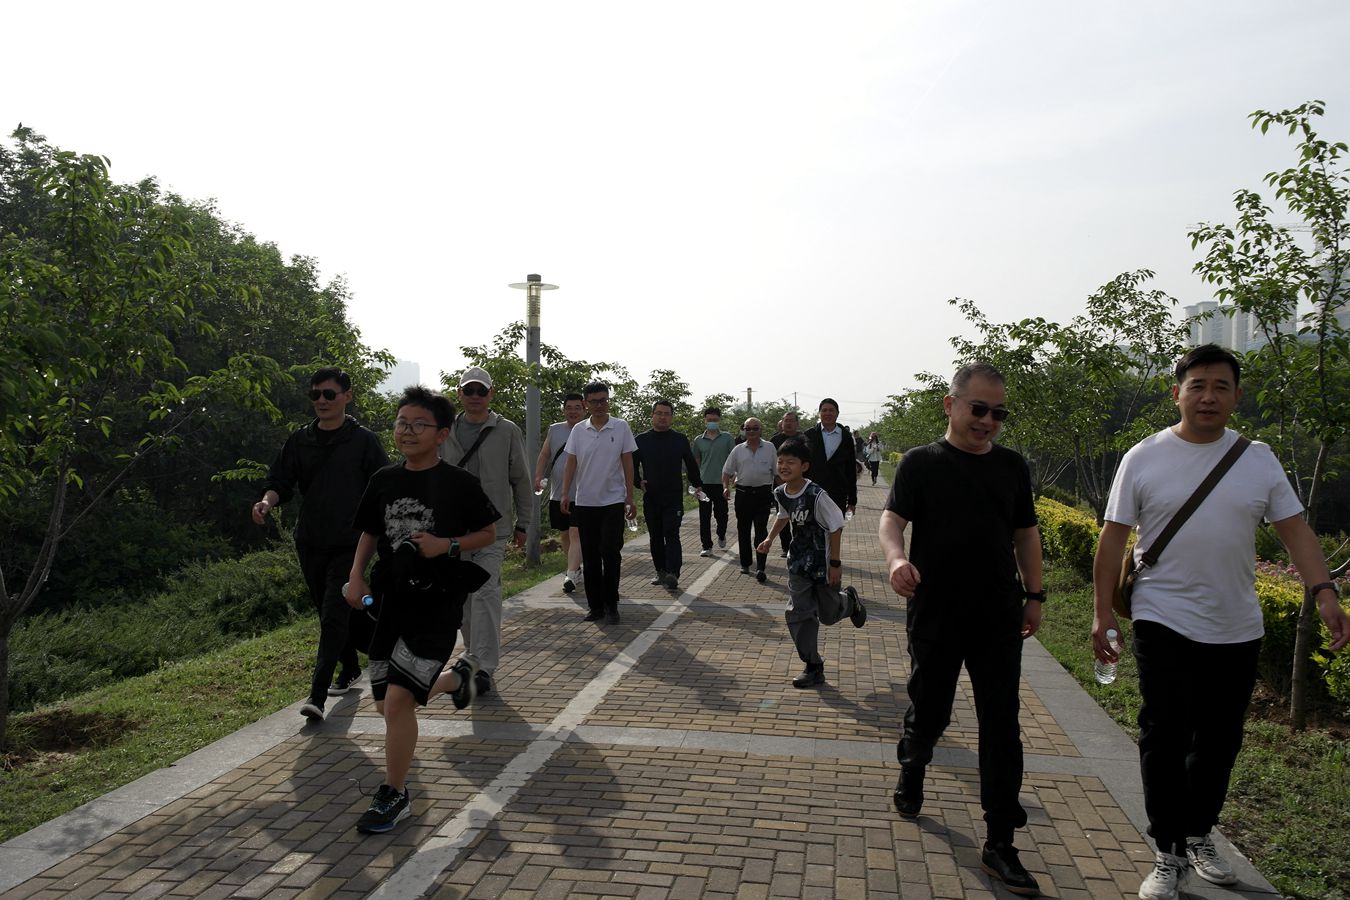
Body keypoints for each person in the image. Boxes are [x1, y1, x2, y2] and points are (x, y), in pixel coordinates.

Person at [1091, 344, 1350, 900]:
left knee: (1219, 740)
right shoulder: (1143, 456)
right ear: (1177, 392)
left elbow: (1296, 531)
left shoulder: (1257, 459)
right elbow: (1112, 539)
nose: (1208, 396)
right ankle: (1167, 851)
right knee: (1164, 732)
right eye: (1198, 385)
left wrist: (1325, 591)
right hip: (1161, 614)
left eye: (1221, 387)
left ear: (1236, 396)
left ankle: (1198, 832)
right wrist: (1100, 613)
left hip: (1236, 624)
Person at [878, 362, 1045, 896]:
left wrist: (1035, 595)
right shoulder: (921, 463)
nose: (988, 421)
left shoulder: (1012, 467)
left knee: (1001, 723)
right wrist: (896, 559)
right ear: (950, 405)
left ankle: (1000, 841)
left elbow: (1025, 533)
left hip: (997, 612)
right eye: (978, 409)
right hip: (936, 610)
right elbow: (892, 519)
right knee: (931, 708)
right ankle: (914, 763)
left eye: (998, 413)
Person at [345, 386, 500, 834]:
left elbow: (487, 534)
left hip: (437, 600)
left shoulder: (459, 483)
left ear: (441, 434)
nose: (407, 431)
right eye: (401, 423)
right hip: (390, 599)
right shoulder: (384, 480)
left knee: (398, 702)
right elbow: (370, 533)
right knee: (386, 705)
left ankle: (394, 794)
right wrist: (355, 576)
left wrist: (445, 545)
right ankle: (456, 680)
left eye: (418, 424)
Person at [253, 367, 389, 723]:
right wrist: (266, 502)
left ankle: (316, 695)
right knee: (329, 612)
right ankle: (352, 664)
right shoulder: (301, 440)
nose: (322, 401)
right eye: (316, 394)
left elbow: (383, 487)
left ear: (347, 396)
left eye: (329, 394)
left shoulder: (363, 441)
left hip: (350, 542)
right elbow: (280, 481)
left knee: (332, 615)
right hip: (310, 540)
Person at [434, 366, 532, 699]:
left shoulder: (506, 430)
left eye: (481, 391)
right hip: (453, 532)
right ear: (459, 393)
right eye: (469, 390)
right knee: (462, 598)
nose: (475, 396)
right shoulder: (445, 430)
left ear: (491, 394)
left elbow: (521, 478)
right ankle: (472, 656)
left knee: (486, 592)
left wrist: (524, 523)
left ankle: (484, 667)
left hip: (493, 530)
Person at [757, 437, 866, 688]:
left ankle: (849, 602)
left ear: (804, 466)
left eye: (790, 462)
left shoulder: (817, 495)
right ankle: (813, 665)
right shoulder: (780, 492)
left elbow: (836, 526)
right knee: (799, 612)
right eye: (780, 462)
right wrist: (769, 539)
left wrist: (835, 563)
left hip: (822, 563)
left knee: (828, 615)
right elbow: (784, 515)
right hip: (797, 563)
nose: (784, 467)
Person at [561, 381, 637, 625]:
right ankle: (595, 607)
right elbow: (571, 463)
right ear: (586, 404)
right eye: (594, 401)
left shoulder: (621, 426)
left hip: (613, 500)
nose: (599, 405)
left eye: (603, 400)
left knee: (610, 551)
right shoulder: (579, 430)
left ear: (608, 401)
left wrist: (629, 496)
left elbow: (628, 462)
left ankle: (611, 604)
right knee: (591, 555)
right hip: (585, 502)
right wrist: (565, 493)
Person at [634, 400, 703, 590]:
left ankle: (673, 572)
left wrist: (697, 484)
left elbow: (690, 463)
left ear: (671, 417)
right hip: (651, 496)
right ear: (652, 416)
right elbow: (631, 465)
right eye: (659, 413)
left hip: (673, 496)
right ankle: (661, 571)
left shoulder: (679, 439)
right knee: (655, 535)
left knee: (671, 533)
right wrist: (637, 482)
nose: (662, 417)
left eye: (666, 414)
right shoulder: (641, 440)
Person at [534, 393, 586, 594]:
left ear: (584, 409)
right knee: (564, 533)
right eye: (569, 408)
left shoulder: (590, 429)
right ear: (563, 410)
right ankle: (575, 568)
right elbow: (545, 454)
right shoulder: (555, 429)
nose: (573, 411)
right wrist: (538, 475)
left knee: (575, 532)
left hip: (582, 493)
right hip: (558, 492)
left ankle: (571, 574)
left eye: (577, 407)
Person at [721, 417, 777, 582]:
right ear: (744, 431)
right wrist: (725, 487)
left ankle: (761, 567)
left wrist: (785, 492)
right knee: (743, 530)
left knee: (761, 529)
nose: (751, 431)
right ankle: (745, 563)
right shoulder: (738, 450)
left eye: (755, 428)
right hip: (743, 494)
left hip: (763, 494)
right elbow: (726, 472)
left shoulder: (770, 447)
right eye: (748, 429)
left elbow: (777, 472)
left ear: (761, 430)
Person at [804, 398, 858, 520]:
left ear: (837, 413)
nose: (828, 413)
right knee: (811, 527)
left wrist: (852, 501)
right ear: (819, 413)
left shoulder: (846, 437)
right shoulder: (809, 435)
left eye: (831, 410)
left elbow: (850, 470)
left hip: (837, 493)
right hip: (812, 492)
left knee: (835, 527)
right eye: (824, 410)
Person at [692, 407, 734, 557]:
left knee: (721, 514)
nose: (712, 422)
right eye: (709, 420)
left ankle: (721, 534)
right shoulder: (698, 440)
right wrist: (695, 481)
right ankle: (706, 546)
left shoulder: (727, 438)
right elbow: (696, 460)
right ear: (705, 420)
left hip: (721, 483)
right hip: (704, 484)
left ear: (719, 420)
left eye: (714, 420)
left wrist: (733, 475)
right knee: (704, 516)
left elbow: (733, 457)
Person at [769, 411, 803, 558]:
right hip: (780, 484)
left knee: (799, 518)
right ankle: (786, 547)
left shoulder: (803, 440)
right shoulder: (774, 440)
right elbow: (772, 463)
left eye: (791, 421)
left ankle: (799, 545)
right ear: (781, 423)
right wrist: (781, 482)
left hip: (800, 485)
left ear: (797, 423)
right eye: (786, 420)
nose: (788, 423)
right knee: (782, 516)